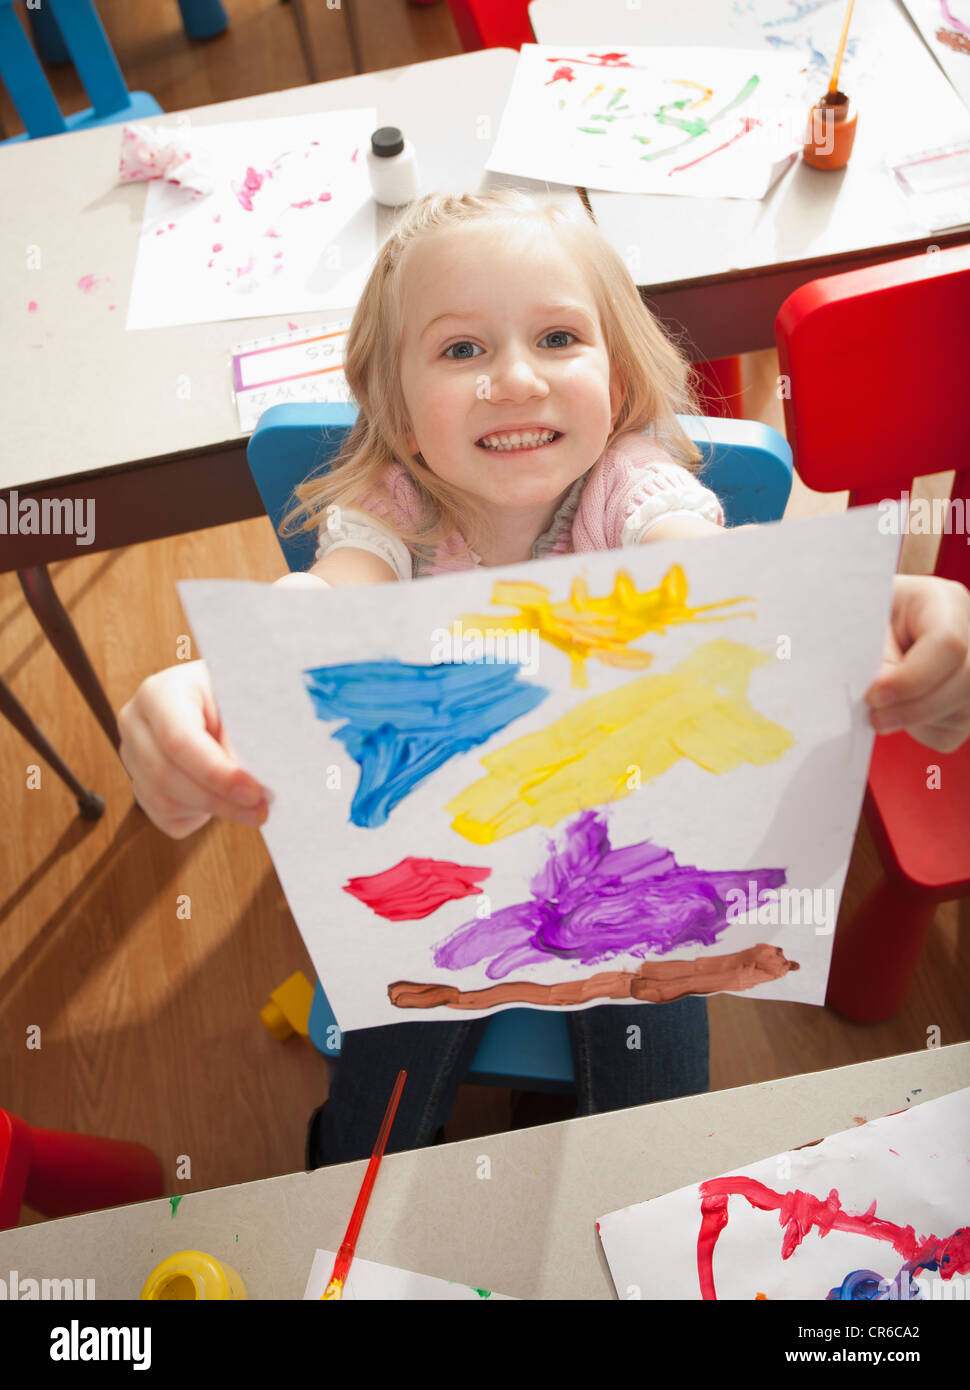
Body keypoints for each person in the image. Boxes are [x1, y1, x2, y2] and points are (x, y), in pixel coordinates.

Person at [119, 190, 970, 1166]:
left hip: (636, 859)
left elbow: (719, 582)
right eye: (461, 349)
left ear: (615, 379)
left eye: (558, 337)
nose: (516, 379)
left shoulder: (631, 489)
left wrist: (862, 619)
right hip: (442, 862)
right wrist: (236, 675)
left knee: (655, 1119)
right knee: (375, 1101)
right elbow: (326, 604)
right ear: (401, 417)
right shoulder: (393, 512)